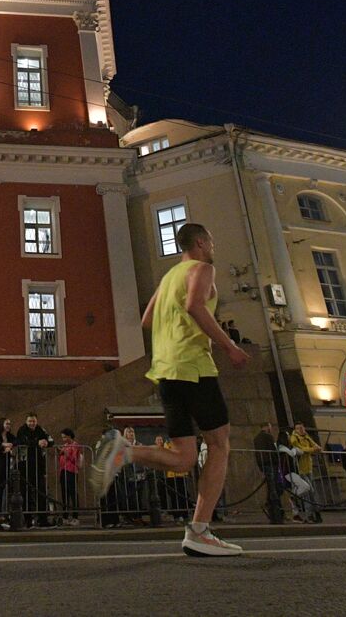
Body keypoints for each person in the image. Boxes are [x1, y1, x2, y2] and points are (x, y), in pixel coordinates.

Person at [92, 222, 251, 556]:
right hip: (193, 367)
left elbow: (147, 319)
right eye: (211, 240)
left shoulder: (168, 278)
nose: (213, 247)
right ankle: (199, 531)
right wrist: (229, 346)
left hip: (165, 370)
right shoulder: (203, 268)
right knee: (219, 444)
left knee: (183, 459)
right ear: (201, 241)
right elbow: (194, 305)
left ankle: (124, 452)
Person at [14, 413, 52, 527]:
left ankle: (43, 519)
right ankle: (27, 519)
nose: (32, 423)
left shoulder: (41, 429)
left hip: (38, 466)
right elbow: (22, 441)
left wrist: (46, 443)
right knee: (25, 493)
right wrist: (37, 443)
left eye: (34, 421)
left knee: (41, 492)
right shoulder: (22, 430)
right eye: (30, 421)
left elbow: (50, 439)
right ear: (26, 421)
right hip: (25, 466)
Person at [287, 423, 320, 522]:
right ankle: (309, 514)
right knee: (308, 491)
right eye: (298, 428)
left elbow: (315, 446)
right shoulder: (294, 438)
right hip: (300, 469)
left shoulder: (306, 437)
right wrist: (313, 449)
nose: (301, 430)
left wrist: (315, 448)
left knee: (311, 492)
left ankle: (314, 513)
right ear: (295, 429)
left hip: (308, 467)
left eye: (302, 427)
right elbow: (300, 449)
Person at [57, 428, 83, 526]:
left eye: (64, 437)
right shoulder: (65, 445)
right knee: (64, 494)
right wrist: (60, 452)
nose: (63, 439)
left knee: (73, 494)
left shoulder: (75, 445)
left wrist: (66, 453)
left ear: (69, 436)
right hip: (63, 470)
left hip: (71, 471)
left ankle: (75, 517)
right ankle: (65, 516)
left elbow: (74, 459)